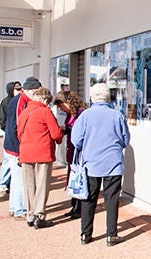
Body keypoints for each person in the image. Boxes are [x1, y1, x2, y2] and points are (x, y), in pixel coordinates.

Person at [72, 83, 131, 246]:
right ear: (108, 97)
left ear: (92, 97)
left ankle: (85, 234)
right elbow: (125, 140)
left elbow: (75, 140)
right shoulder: (117, 115)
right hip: (113, 163)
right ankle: (111, 235)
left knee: (89, 198)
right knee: (112, 199)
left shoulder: (85, 116)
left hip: (91, 163)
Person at [18, 87, 63, 229]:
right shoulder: (45, 111)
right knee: (42, 185)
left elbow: (19, 133)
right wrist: (61, 133)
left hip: (25, 152)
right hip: (42, 152)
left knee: (29, 185)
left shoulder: (24, 112)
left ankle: (30, 215)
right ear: (44, 100)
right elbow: (55, 134)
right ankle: (39, 215)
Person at [59, 91, 87, 219]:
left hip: (79, 151)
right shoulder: (70, 113)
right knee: (72, 177)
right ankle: (74, 205)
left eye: (61, 105)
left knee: (79, 178)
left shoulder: (81, 113)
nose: (61, 108)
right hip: (71, 150)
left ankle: (79, 207)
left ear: (68, 102)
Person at [3, 82, 28, 218]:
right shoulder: (21, 102)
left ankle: (14, 206)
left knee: (16, 178)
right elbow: (18, 126)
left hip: (11, 145)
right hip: (15, 147)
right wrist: (21, 148)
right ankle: (20, 209)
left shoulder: (16, 100)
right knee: (20, 179)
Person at [0, 81, 21, 195]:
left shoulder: (20, 101)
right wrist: (8, 129)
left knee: (15, 160)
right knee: (8, 159)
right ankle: (2, 183)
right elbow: (2, 120)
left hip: (17, 133)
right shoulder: (6, 102)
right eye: (17, 89)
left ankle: (10, 182)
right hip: (9, 133)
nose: (19, 91)